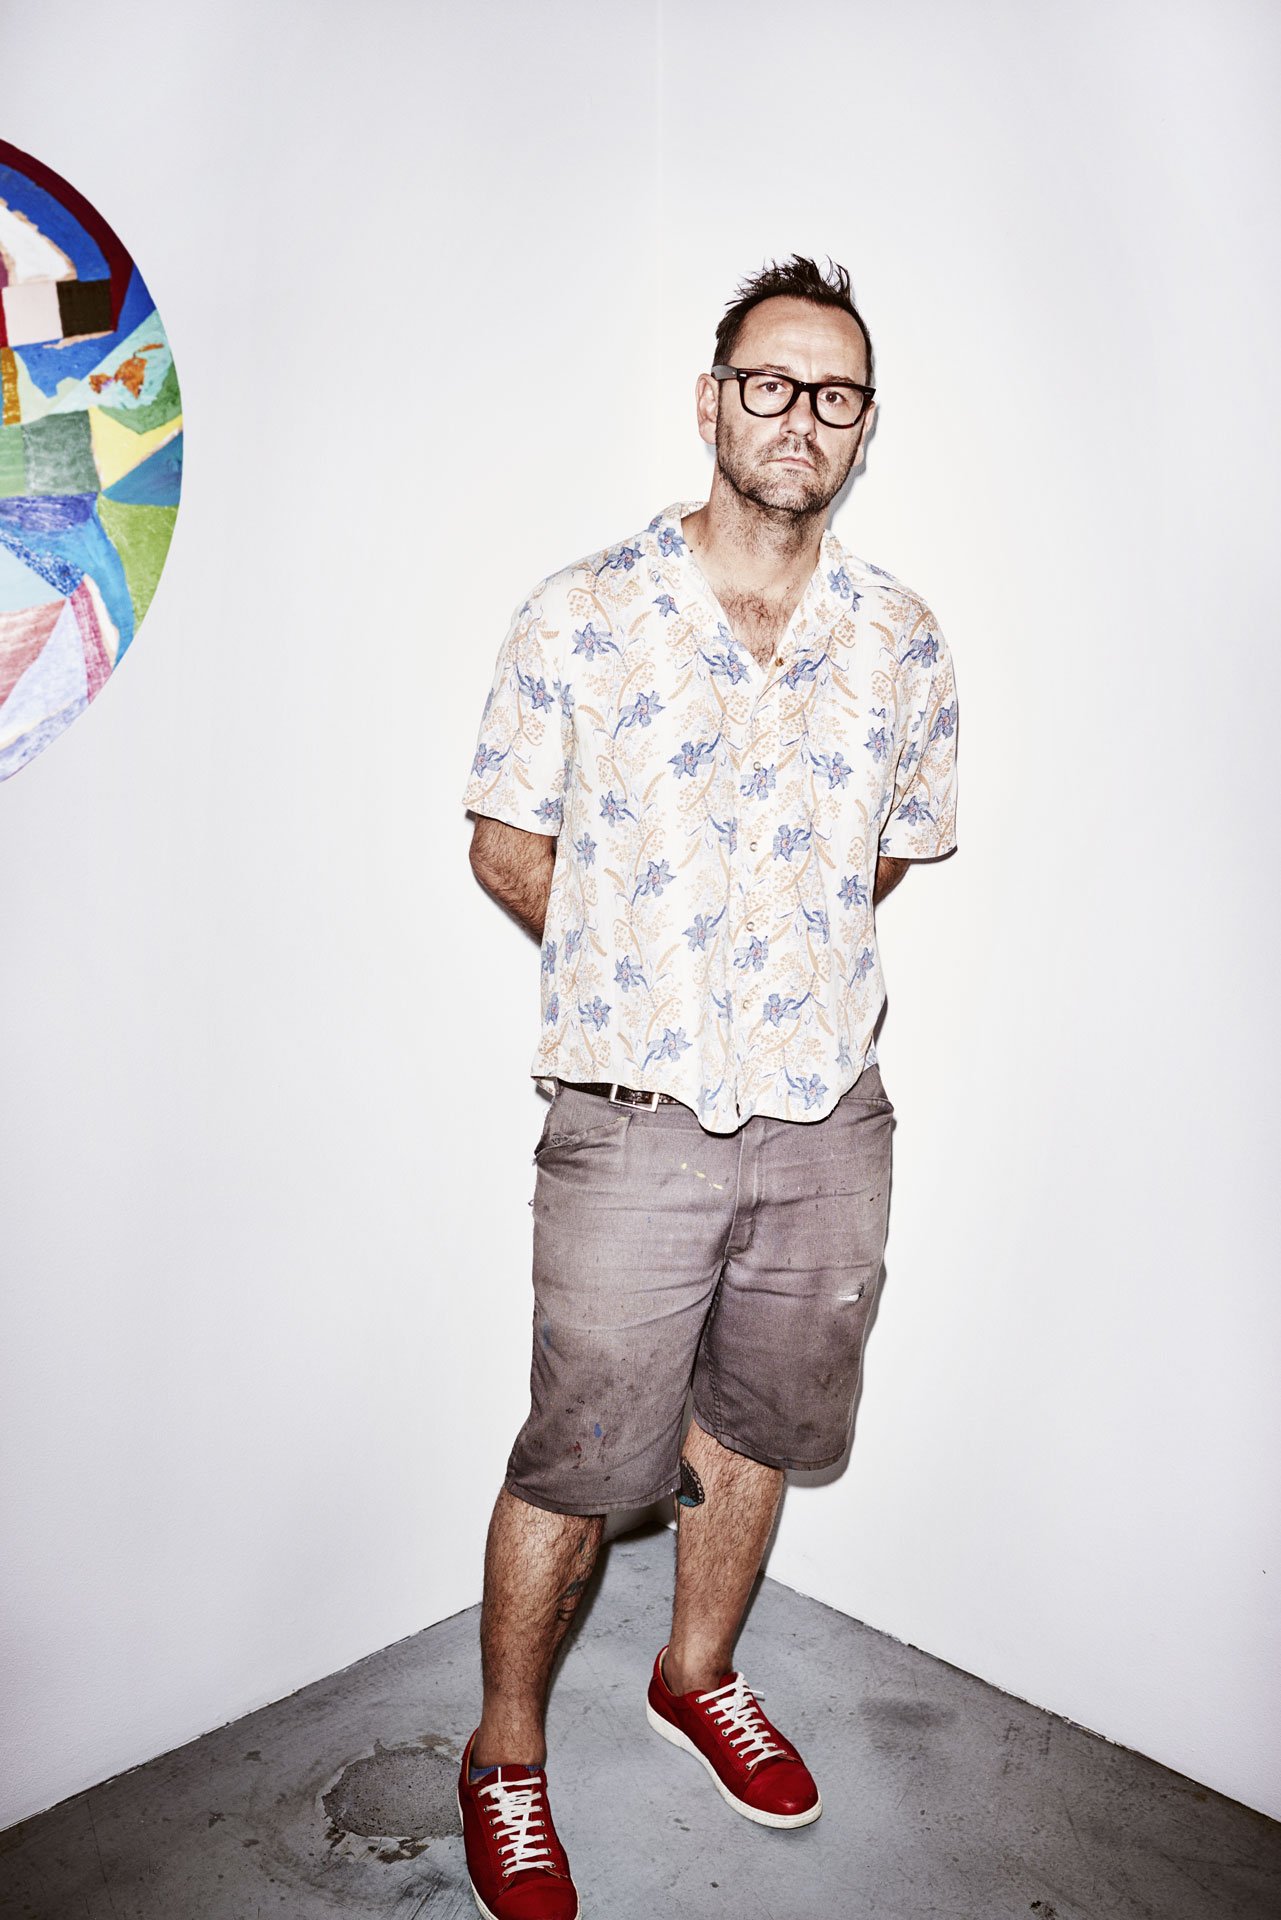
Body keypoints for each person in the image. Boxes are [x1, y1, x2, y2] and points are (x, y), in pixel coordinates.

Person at [457, 254, 959, 1919]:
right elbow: (505, 843)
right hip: (630, 1119)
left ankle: (695, 1677)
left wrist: (773, 984)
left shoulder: (900, 639)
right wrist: (657, 984)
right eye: (770, 382)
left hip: (829, 1116)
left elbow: (885, 855)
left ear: (863, 427)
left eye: (835, 394)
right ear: (710, 401)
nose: (799, 416)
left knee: (758, 1425)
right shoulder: (581, 613)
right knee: (578, 1457)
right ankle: (504, 1756)